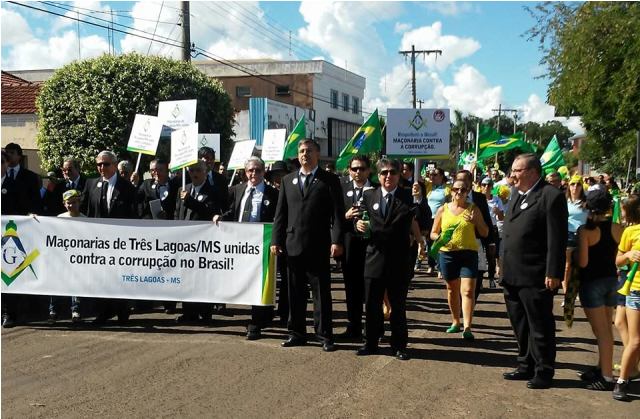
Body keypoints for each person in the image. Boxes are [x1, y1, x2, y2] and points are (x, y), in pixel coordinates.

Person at [270, 139, 345, 352]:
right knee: (295, 292)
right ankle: (296, 333)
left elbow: (337, 214)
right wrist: (276, 240)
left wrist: (337, 240)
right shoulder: (288, 180)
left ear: (317, 154)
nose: (305, 154)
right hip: (292, 245)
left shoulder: (329, 180)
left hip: (318, 245)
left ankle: (324, 335)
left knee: (321, 293)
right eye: (302, 151)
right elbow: (281, 214)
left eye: (309, 151)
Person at [501, 153, 568, 390]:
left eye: (516, 171)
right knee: (520, 324)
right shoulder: (516, 194)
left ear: (531, 172)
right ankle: (525, 364)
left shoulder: (550, 196)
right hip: (512, 273)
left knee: (539, 325)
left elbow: (556, 238)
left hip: (536, 274)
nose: (512, 175)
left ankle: (544, 370)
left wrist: (554, 272)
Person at [355, 158, 425, 360]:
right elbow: (359, 218)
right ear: (378, 176)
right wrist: (357, 224)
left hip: (398, 260)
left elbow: (421, 217)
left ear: (399, 175)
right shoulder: (369, 195)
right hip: (374, 258)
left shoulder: (409, 196)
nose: (388, 176)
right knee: (372, 305)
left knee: (398, 305)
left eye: (392, 172)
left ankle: (399, 345)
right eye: (384, 173)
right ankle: (370, 342)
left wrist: (420, 199)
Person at [214, 157, 278, 340]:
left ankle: (256, 322)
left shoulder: (273, 193)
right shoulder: (237, 190)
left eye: (258, 170)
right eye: (250, 170)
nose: (254, 174)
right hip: (240, 246)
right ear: (245, 172)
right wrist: (220, 217)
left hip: (262, 246)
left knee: (258, 283)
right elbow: (233, 211)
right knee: (243, 281)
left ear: (264, 172)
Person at [81, 151, 137, 325]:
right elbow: (84, 210)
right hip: (99, 242)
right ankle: (103, 312)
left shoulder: (127, 187)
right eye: (99, 164)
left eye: (105, 164)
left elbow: (134, 214)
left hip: (121, 242)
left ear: (114, 164)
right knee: (101, 277)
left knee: (120, 276)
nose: (101, 167)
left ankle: (122, 311)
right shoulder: (91, 184)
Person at [575, 189, 623, 391]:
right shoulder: (617, 228)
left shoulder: (585, 231)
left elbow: (583, 263)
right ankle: (602, 366)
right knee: (606, 330)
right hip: (612, 281)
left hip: (591, 283)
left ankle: (606, 376)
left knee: (601, 331)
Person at [431, 178, 488, 341]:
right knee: (452, 289)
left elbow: (485, 232)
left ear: (467, 192)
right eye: (456, 189)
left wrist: (475, 221)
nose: (459, 192)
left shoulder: (473, 209)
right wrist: (440, 238)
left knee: (468, 291)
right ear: (451, 191)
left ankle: (467, 327)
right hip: (447, 254)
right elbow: (433, 233)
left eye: (463, 190)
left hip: (468, 253)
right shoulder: (443, 209)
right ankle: (456, 321)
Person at [174, 160, 222, 324]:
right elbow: (177, 212)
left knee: (203, 277)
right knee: (186, 277)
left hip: (203, 241)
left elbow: (210, 212)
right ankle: (188, 312)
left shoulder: (213, 190)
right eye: (191, 170)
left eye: (197, 170)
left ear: (205, 172)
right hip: (185, 240)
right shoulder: (183, 189)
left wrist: (190, 201)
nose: (194, 173)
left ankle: (205, 312)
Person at [339, 155, 376, 339]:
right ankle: (353, 326)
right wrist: (345, 216)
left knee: (371, 289)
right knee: (351, 288)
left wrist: (369, 224)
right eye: (354, 169)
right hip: (350, 246)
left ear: (369, 170)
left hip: (372, 246)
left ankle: (373, 329)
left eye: (362, 168)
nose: (358, 172)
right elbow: (333, 216)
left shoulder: (377, 188)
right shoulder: (342, 188)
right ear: (349, 171)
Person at [613, 195, 640, 401]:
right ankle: (622, 381)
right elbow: (618, 260)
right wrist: (629, 255)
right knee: (636, 340)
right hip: (636, 291)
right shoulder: (631, 232)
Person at [48, 189, 85, 324]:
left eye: (74, 202)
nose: (71, 205)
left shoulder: (86, 220)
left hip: (77, 259)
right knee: (56, 284)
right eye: (68, 203)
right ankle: (53, 310)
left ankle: (75, 310)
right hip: (61, 258)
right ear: (64, 204)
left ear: (79, 202)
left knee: (76, 284)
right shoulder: (59, 218)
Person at [265, 160, 291, 325]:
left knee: (287, 277)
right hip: (268, 239)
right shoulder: (267, 192)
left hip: (287, 240)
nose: (278, 178)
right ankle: (266, 311)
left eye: (281, 175)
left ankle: (284, 312)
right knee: (268, 277)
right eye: (275, 175)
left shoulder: (291, 191)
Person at [563, 175, 588, 296]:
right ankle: (566, 292)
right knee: (567, 266)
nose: (575, 187)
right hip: (568, 235)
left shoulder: (586, 202)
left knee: (581, 264)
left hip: (583, 235)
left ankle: (578, 290)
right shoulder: (564, 201)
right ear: (569, 186)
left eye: (578, 184)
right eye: (573, 184)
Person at [480, 177, 504, 288]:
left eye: (489, 185)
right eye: (484, 185)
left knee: (491, 255)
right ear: (480, 186)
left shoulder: (497, 199)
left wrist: (498, 212)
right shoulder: (478, 199)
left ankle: (491, 278)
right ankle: (479, 280)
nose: (486, 187)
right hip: (479, 229)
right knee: (479, 255)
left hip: (492, 229)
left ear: (492, 187)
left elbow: (502, 217)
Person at [425, 168, 449, 274]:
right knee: (429, 243)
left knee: (439, 242)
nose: (432, 177)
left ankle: (440, 267)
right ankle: (431, 265)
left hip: (440, 219)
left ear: (441, 176)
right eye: (430, 174)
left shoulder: (447, 189)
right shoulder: (429, 187)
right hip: (429, 219)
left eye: (435, 174)